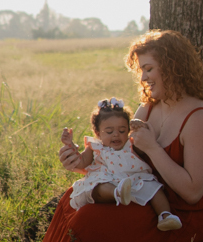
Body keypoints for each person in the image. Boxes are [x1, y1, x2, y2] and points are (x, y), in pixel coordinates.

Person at [9, 29, 203, 242]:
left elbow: (193, 193)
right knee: (70, 200)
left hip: (182, 215)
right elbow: (119, 164)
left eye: (149, 68)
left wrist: (152, 148)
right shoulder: (148, 110)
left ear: (173, 67)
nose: (143, 78)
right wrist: (79, 164)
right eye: (140, 71)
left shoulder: (199, 118)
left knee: (88, 219)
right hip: (145, 196)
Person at [66, 96, 182, 232]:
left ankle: (165, 215)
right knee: (97, 187)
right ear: (97, 133)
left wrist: (139, 125)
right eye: (109, 132)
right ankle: (117, 192)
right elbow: (82, 163)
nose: (116, 135)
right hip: (107, 178)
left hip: (133, 178)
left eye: (122, 131)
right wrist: (71, 148)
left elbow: (144, 142)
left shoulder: (131, 143)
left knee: (154, 188)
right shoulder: (95, 146)